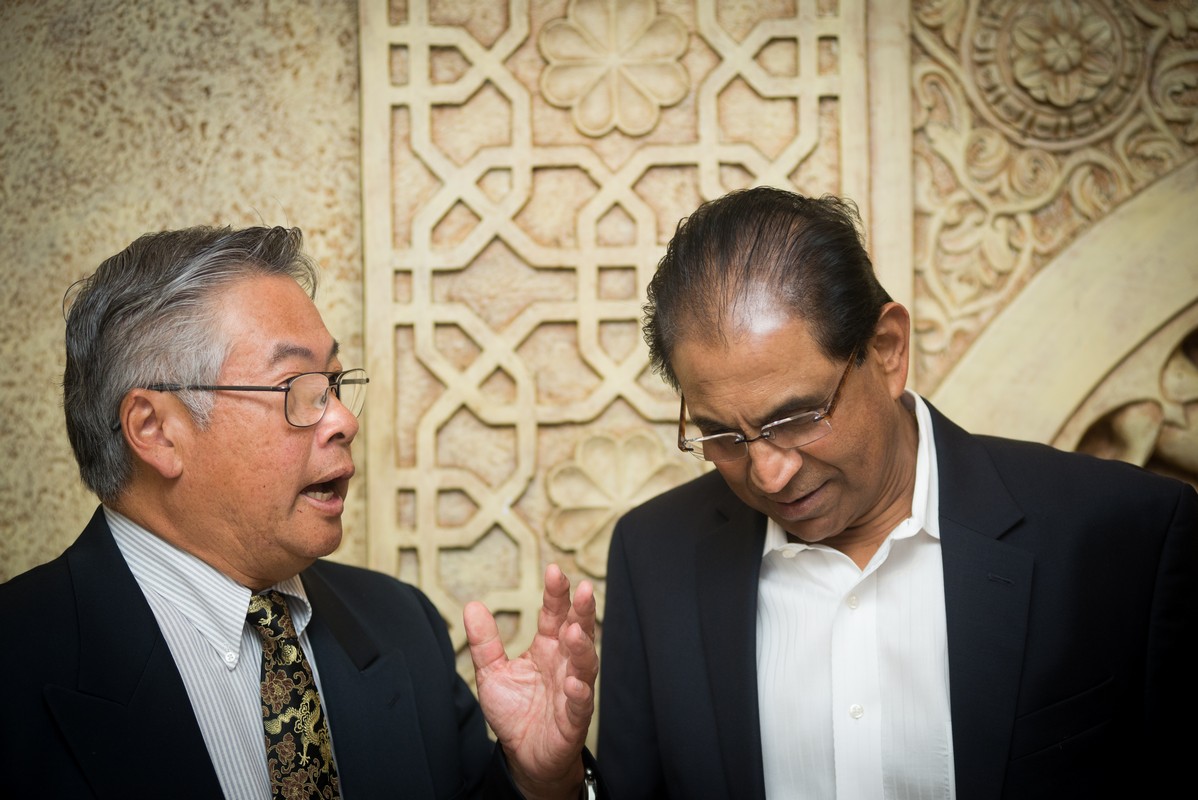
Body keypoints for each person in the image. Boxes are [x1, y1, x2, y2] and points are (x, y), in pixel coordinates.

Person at [597, 187, 1197, 799]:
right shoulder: (653, 557)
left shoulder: (1126, 534)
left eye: (798, 417)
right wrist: (555, 783)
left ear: (887, 351)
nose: (768, 474)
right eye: (723, 435)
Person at [0, 225, 601, 800]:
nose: (344, 420)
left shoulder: (401, 624)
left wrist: (538, 783)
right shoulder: (18, 658)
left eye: (334, 386)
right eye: (297, 389)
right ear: (155, 430)